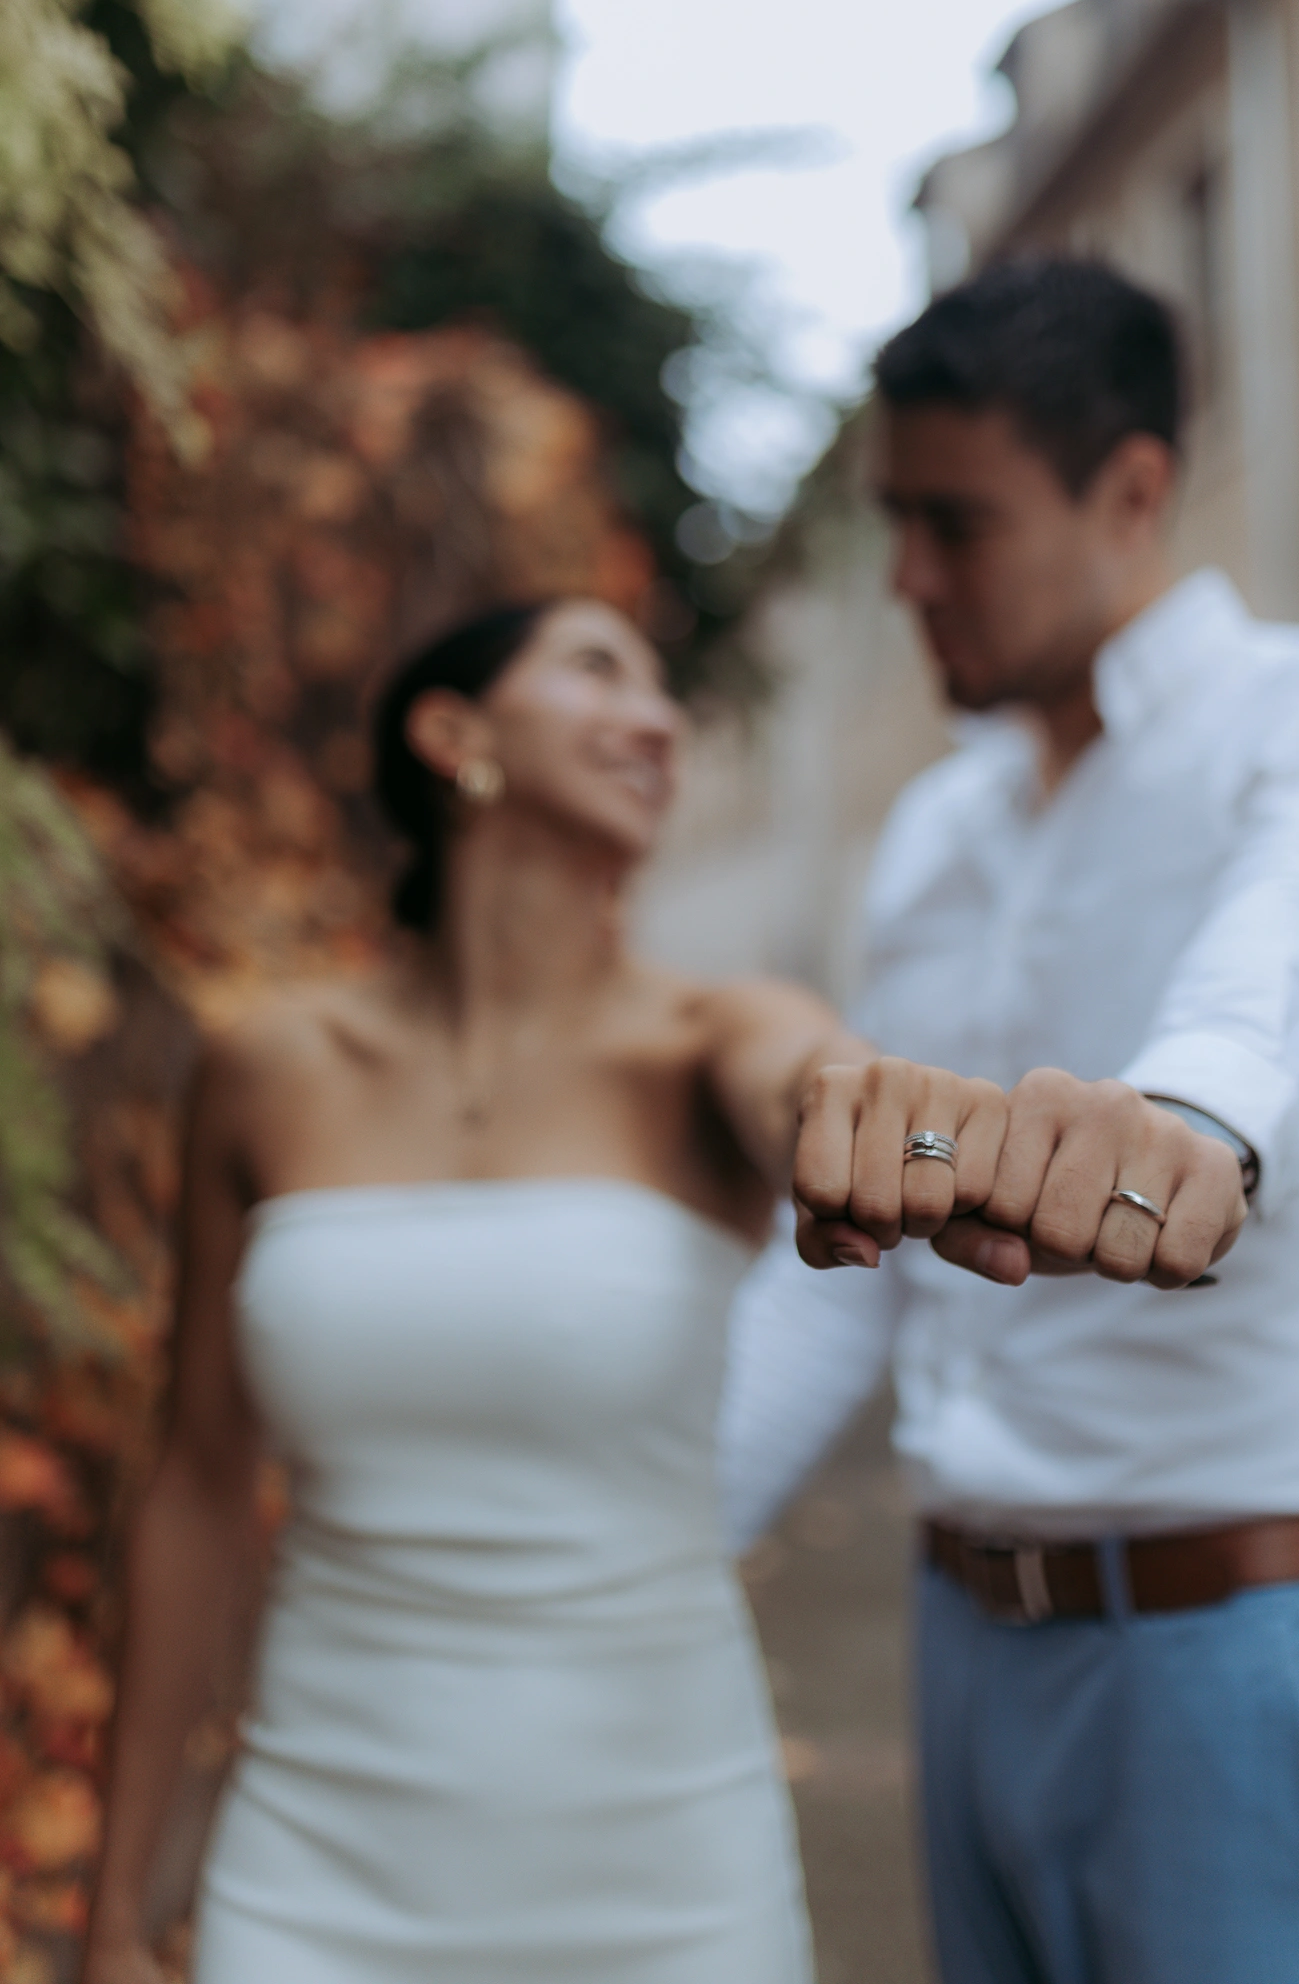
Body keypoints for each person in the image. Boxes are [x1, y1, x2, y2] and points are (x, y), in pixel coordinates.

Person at [83, 593, 1239, 1984]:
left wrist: (902, 1124)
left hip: (660, 1869)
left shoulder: (715, 1038)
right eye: (595, 670)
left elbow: (816, 1087)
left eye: (662, 693)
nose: (658, 721)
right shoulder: (266, 1068)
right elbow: (198, 1485)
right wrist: (116, 1907)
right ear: (454, 734)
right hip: (312, 1861)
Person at [721, 257, 1299, 1984]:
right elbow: (865, 1260)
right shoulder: (934, 831)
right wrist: (645, 1559)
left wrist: (1192, 1121)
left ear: (1130, 490)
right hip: (965, 1657)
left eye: (957, 524)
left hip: (1249, 1651)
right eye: (894, 525)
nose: (910, 580)